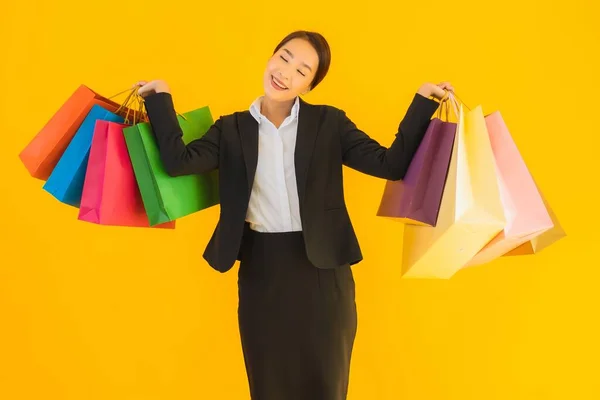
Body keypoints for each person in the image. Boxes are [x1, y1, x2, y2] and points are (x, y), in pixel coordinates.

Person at [135, 30, 452, 400]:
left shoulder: (329, 123)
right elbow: (178, 163)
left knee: (325, 387)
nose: (286, 73)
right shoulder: (231, 128)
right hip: (261, 272)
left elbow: (390, 164)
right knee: (269, 387)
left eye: (302, 70)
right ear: (271, 56)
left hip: (322, 272)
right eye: (284, 58)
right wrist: (160, 97)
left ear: (310, 85)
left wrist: (423, 101)